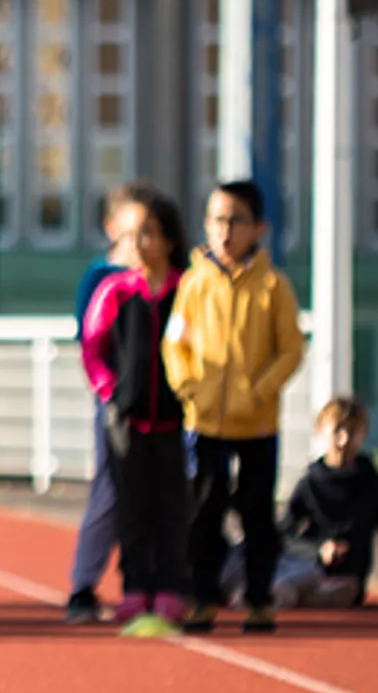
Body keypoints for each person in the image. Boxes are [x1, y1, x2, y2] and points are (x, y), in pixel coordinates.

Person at [161, 180, 305, 635]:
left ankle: (259, 600)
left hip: (257, 424)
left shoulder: (273, 287)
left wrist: (259, 390)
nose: (225, 231)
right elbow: (175, 344)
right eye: (217, 220)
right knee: (204, 512)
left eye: (236, 221)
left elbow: (291, 349)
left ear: (259, 228)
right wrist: (189, 386)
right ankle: (203, 598)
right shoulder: (194, 284)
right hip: (205, 421)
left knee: (257, 514)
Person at [78, 185, 191, 638]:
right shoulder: (115, 290)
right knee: (132, 507)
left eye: (149, 233)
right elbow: (93, 347)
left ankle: (171, 587)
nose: (140, 243)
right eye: (133, 234)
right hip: (128, 420)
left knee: (172, 507)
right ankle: (135, 587)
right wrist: (111, 392)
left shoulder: (188, 290)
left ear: (169, 238)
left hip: (175, 420)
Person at [66, 186, 136, 624]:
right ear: (112, 228)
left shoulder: (168, 278)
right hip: (115, 403)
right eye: (132, 230)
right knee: (109, 489)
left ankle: (148, 582)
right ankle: (82, 584)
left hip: (164, 405)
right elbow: (88, 339)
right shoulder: (100, 277)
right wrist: (109, 392)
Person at [272, 397, 378, 609]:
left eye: (353, 432)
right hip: (310, 568)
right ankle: (293, 592)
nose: (344, 441)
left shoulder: (372, 483)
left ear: (363, 435)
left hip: (350, 576)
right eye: (337, 431)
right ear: (320, 431)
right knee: (294, 579)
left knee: (342, 587)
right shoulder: (310, 483)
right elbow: (283, 533)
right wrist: (319, 550)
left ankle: (315, 594)